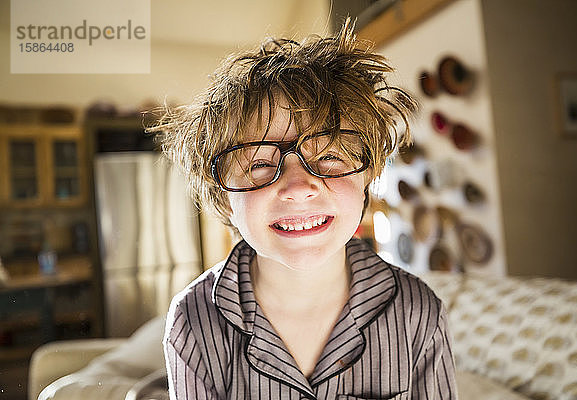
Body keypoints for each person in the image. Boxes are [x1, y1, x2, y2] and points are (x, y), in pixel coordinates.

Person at [152, 19, 457, 400]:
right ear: (224, 197)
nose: (298, 188)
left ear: (367, 178)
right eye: (260, 164)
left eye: (329, 155)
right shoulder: (192, 324)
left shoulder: (418, 314)